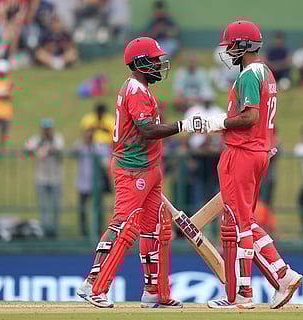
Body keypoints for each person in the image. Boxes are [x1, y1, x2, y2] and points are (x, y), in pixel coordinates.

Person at [76, 37, 201, 309]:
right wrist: (184, 125)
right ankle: (95, 286)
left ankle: (154, 291)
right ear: (141, 62)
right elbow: (147, 130)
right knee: (124, 225)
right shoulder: (135, 90)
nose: (158, 64)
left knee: (154, 228)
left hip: (150, 167)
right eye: (154, 60)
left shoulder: (141, 89)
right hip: (133, 168)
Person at [203, 21, 303, 310]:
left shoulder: (249, 74)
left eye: (232, 44)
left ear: (244, 45)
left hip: (243, 152)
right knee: (244, 220)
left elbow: (249, 117)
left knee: (239, 223)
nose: (228, 50)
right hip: (259, 151)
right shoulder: (268, 73)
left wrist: (217, 123)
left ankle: (245, 295)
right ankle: (282, 276)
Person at [26, 118, 65, 238]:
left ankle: (54, 231)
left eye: (48, 129)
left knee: (56, 206)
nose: (47, 131)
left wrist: (46, 150)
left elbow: (58, 149)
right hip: (41, 178)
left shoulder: (57, 138)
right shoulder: (37, 139)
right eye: (45, 129)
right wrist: (40, 147)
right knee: (43, 207)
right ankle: (44, 230)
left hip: (56, 178)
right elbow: (28, 149)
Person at [70, 129, 100, 237]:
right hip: (83, 184)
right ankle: (84, 232)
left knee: (98, 209)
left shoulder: (97, 147)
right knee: (82, 209)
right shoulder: (80, 146)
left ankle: (98, 230)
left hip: (95, 185)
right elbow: (72, 153)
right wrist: (83, 144)